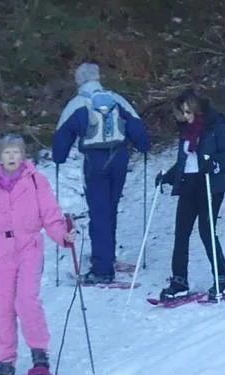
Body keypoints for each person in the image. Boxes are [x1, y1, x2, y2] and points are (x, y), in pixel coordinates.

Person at [0, 133, 73, 375]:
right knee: (2, 306)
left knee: (26, 301)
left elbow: (50, 215)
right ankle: (5, 363)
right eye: (7, 152)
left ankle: (40, 357)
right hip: (1, 251)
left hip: (29, 246)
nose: (12, 157)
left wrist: (63, 236)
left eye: (16, 152)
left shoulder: (37, 181)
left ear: (23, 155)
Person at [50, 62, 151, 285]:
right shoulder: (116, 99)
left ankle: (102, 269)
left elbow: (62, 137)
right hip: (119, 158)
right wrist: (143, 146)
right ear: (98, 78)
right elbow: (137, 127)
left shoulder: (77, 104)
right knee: (111, 208)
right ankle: (107, 256)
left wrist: (58, 157)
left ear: (79, 81)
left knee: (98, 212)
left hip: (94, 162)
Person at [153, 89, 225, 303]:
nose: (186, 117)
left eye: (188, 112)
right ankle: (179, 282)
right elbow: (185, 162)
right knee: (181, 232)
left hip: (210, 183)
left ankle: (223, 277)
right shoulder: (186, 130)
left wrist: (215, 163)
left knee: (206, 230)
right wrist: (168, 176)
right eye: (182, 113)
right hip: (189, 184)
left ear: (197, 109)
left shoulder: (216, 124)